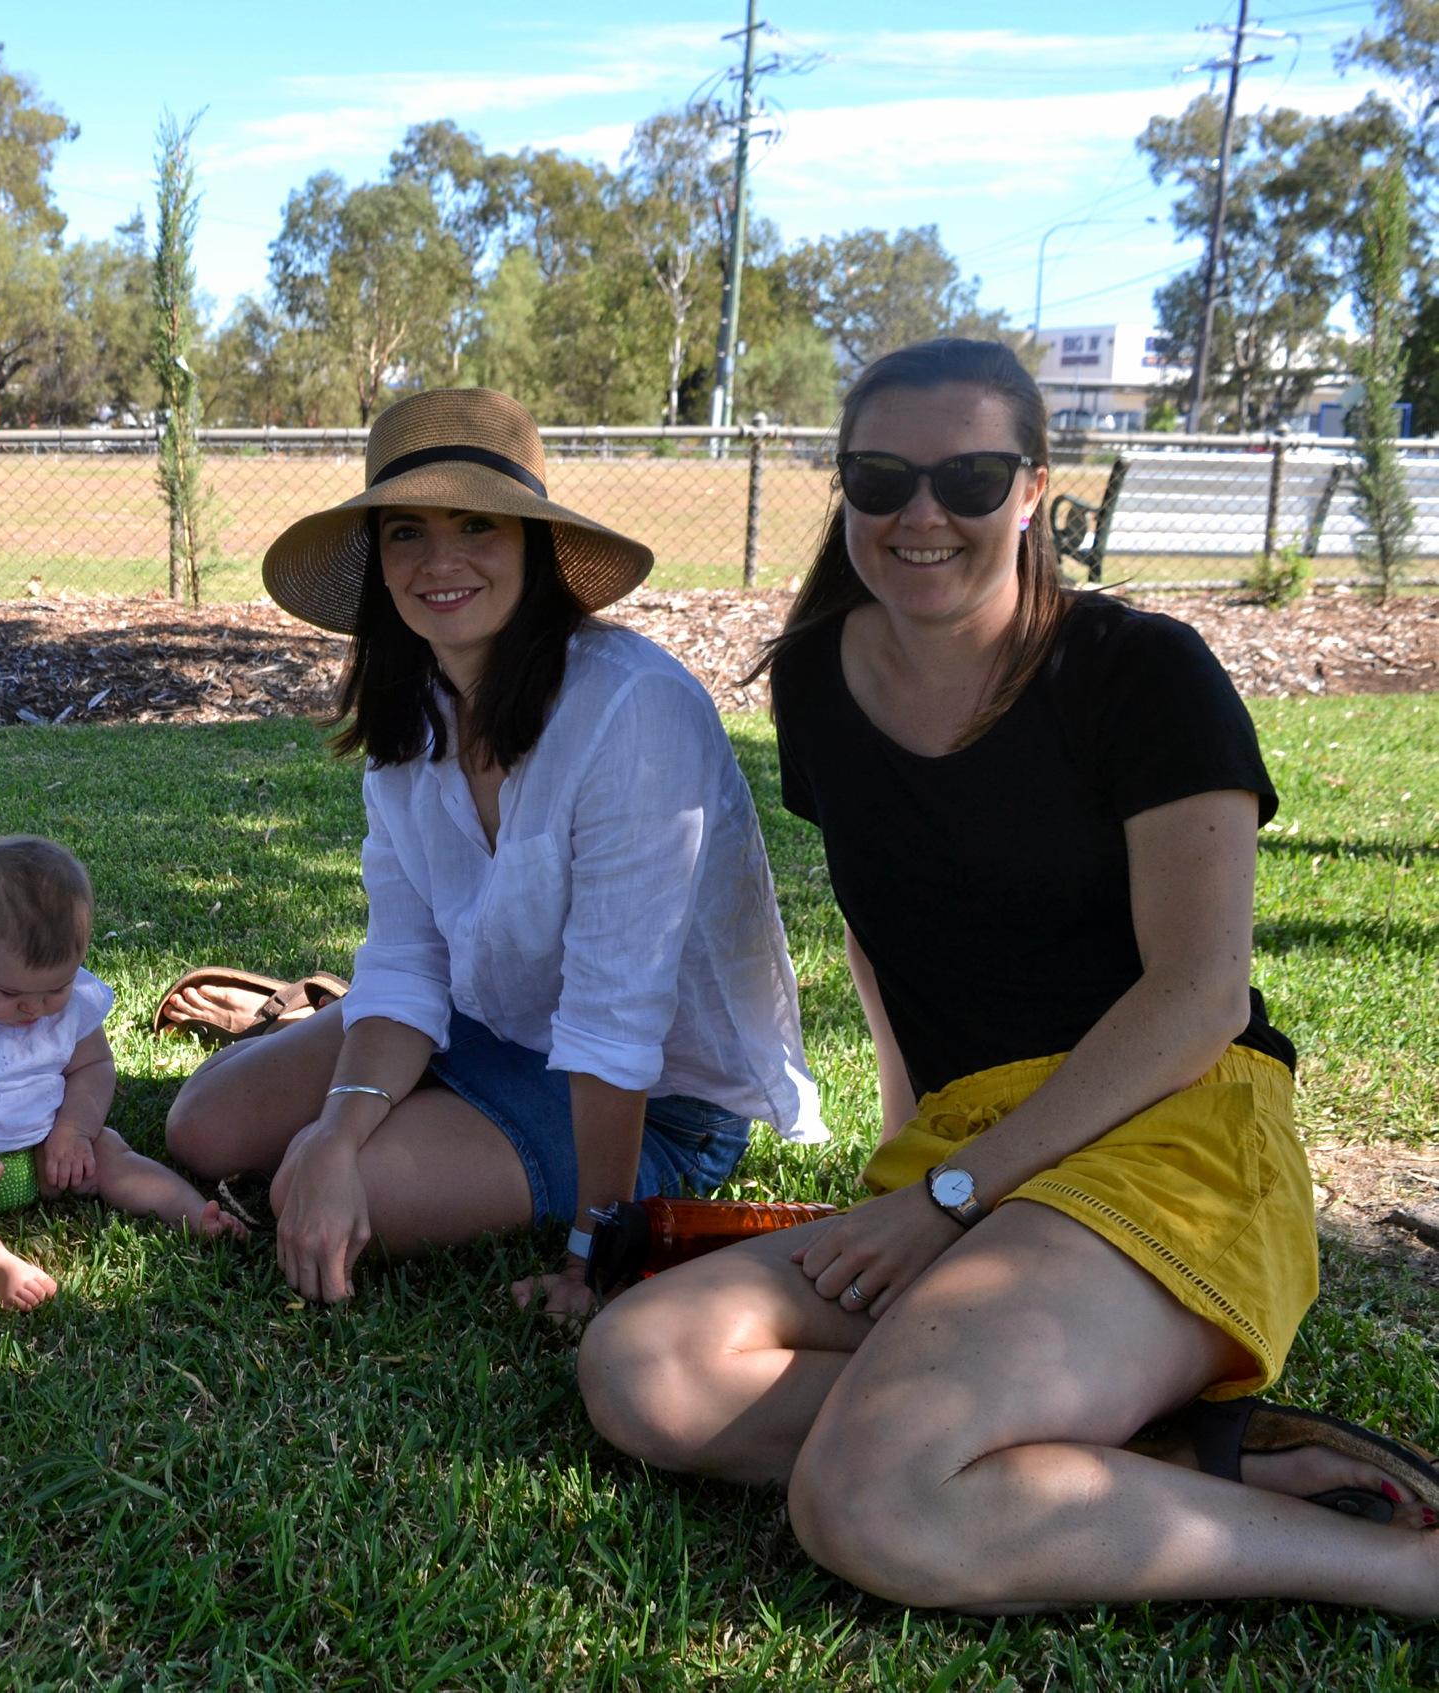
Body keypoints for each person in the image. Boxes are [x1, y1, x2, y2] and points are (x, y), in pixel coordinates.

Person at [579, 337, 1439, 1617]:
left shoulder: (1142, 675)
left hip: (1172, 1132)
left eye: (970, 478)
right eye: (881, 479)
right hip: (970, 1147)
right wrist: (912, 1150)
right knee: (643, 1367)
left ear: (1036, 492)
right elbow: (883, 931)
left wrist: (957, 1193)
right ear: (846, 490)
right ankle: (1164, 1459)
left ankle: (1396, 1568)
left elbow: (1199, 998)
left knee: (874, 1500)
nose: (922, 514)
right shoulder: (818, 679)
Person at [164, 387, 824, 1310]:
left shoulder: (631, 709)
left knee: (368, 1197)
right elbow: (407, 955)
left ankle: (392, 1085)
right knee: (202, 1128)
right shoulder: (413, 712)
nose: (440, 560)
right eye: (406, 531)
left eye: (478, 523)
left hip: (658, 1105)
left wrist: (601, 1249)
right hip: (487, 1022)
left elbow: (615, 1017)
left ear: (532, 546)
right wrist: (334, 1132)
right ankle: (356, 1055)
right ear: (379, 562)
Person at [0, 836, 245, 1312]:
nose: (33, 1008)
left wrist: (73, 1132)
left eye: (56, 990)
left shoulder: (68, 999)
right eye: (10, 993)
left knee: (110, 1149)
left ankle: (195, 1214)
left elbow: (93, 1065)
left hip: (46, 1152)